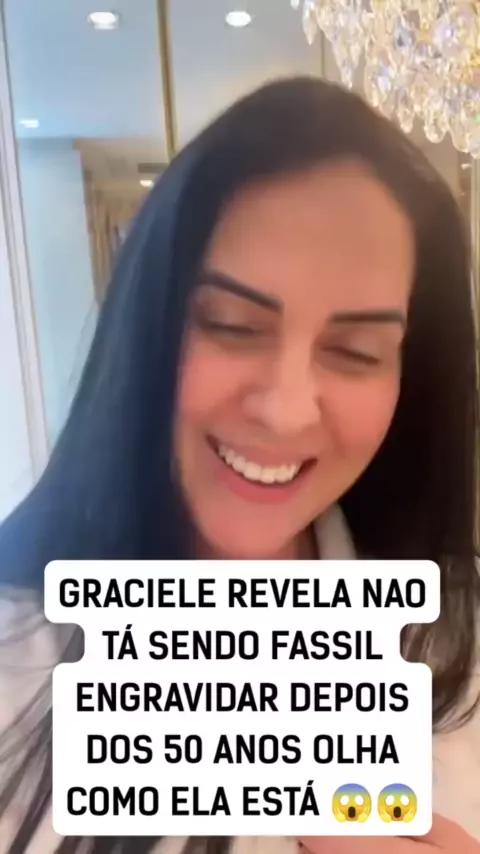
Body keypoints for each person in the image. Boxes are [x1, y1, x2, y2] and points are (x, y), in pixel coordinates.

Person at [0, 76, 479, 853]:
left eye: (356, 352)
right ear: (151, 327)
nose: (285, 410)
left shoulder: (458, 641)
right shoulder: (17, 654)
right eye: (231, 325)